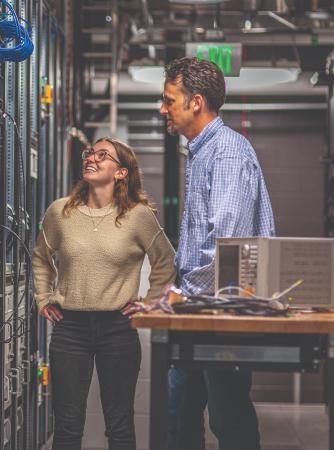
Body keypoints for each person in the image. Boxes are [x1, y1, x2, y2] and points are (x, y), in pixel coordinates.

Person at [159, 57, 275, 450]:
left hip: (219, 313)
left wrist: (183, 296)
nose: (163, 109)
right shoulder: (202, 152)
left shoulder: (225, 152)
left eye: (168, 100)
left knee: (229, 419)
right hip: (199, 312)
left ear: (195, 102)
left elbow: (226, 247)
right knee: (179, 418)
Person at [32, 137, 176, 450]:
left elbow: (165, 260)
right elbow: (41, 257)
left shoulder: (138, 216)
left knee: (120, 424)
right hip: (70, 329)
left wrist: (150, 303)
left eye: (102, 155)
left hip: (118, 328)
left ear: (121, 172)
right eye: (89, 153)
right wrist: (43, 297)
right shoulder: (59, 213)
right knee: (68, 426)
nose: (91, 158)